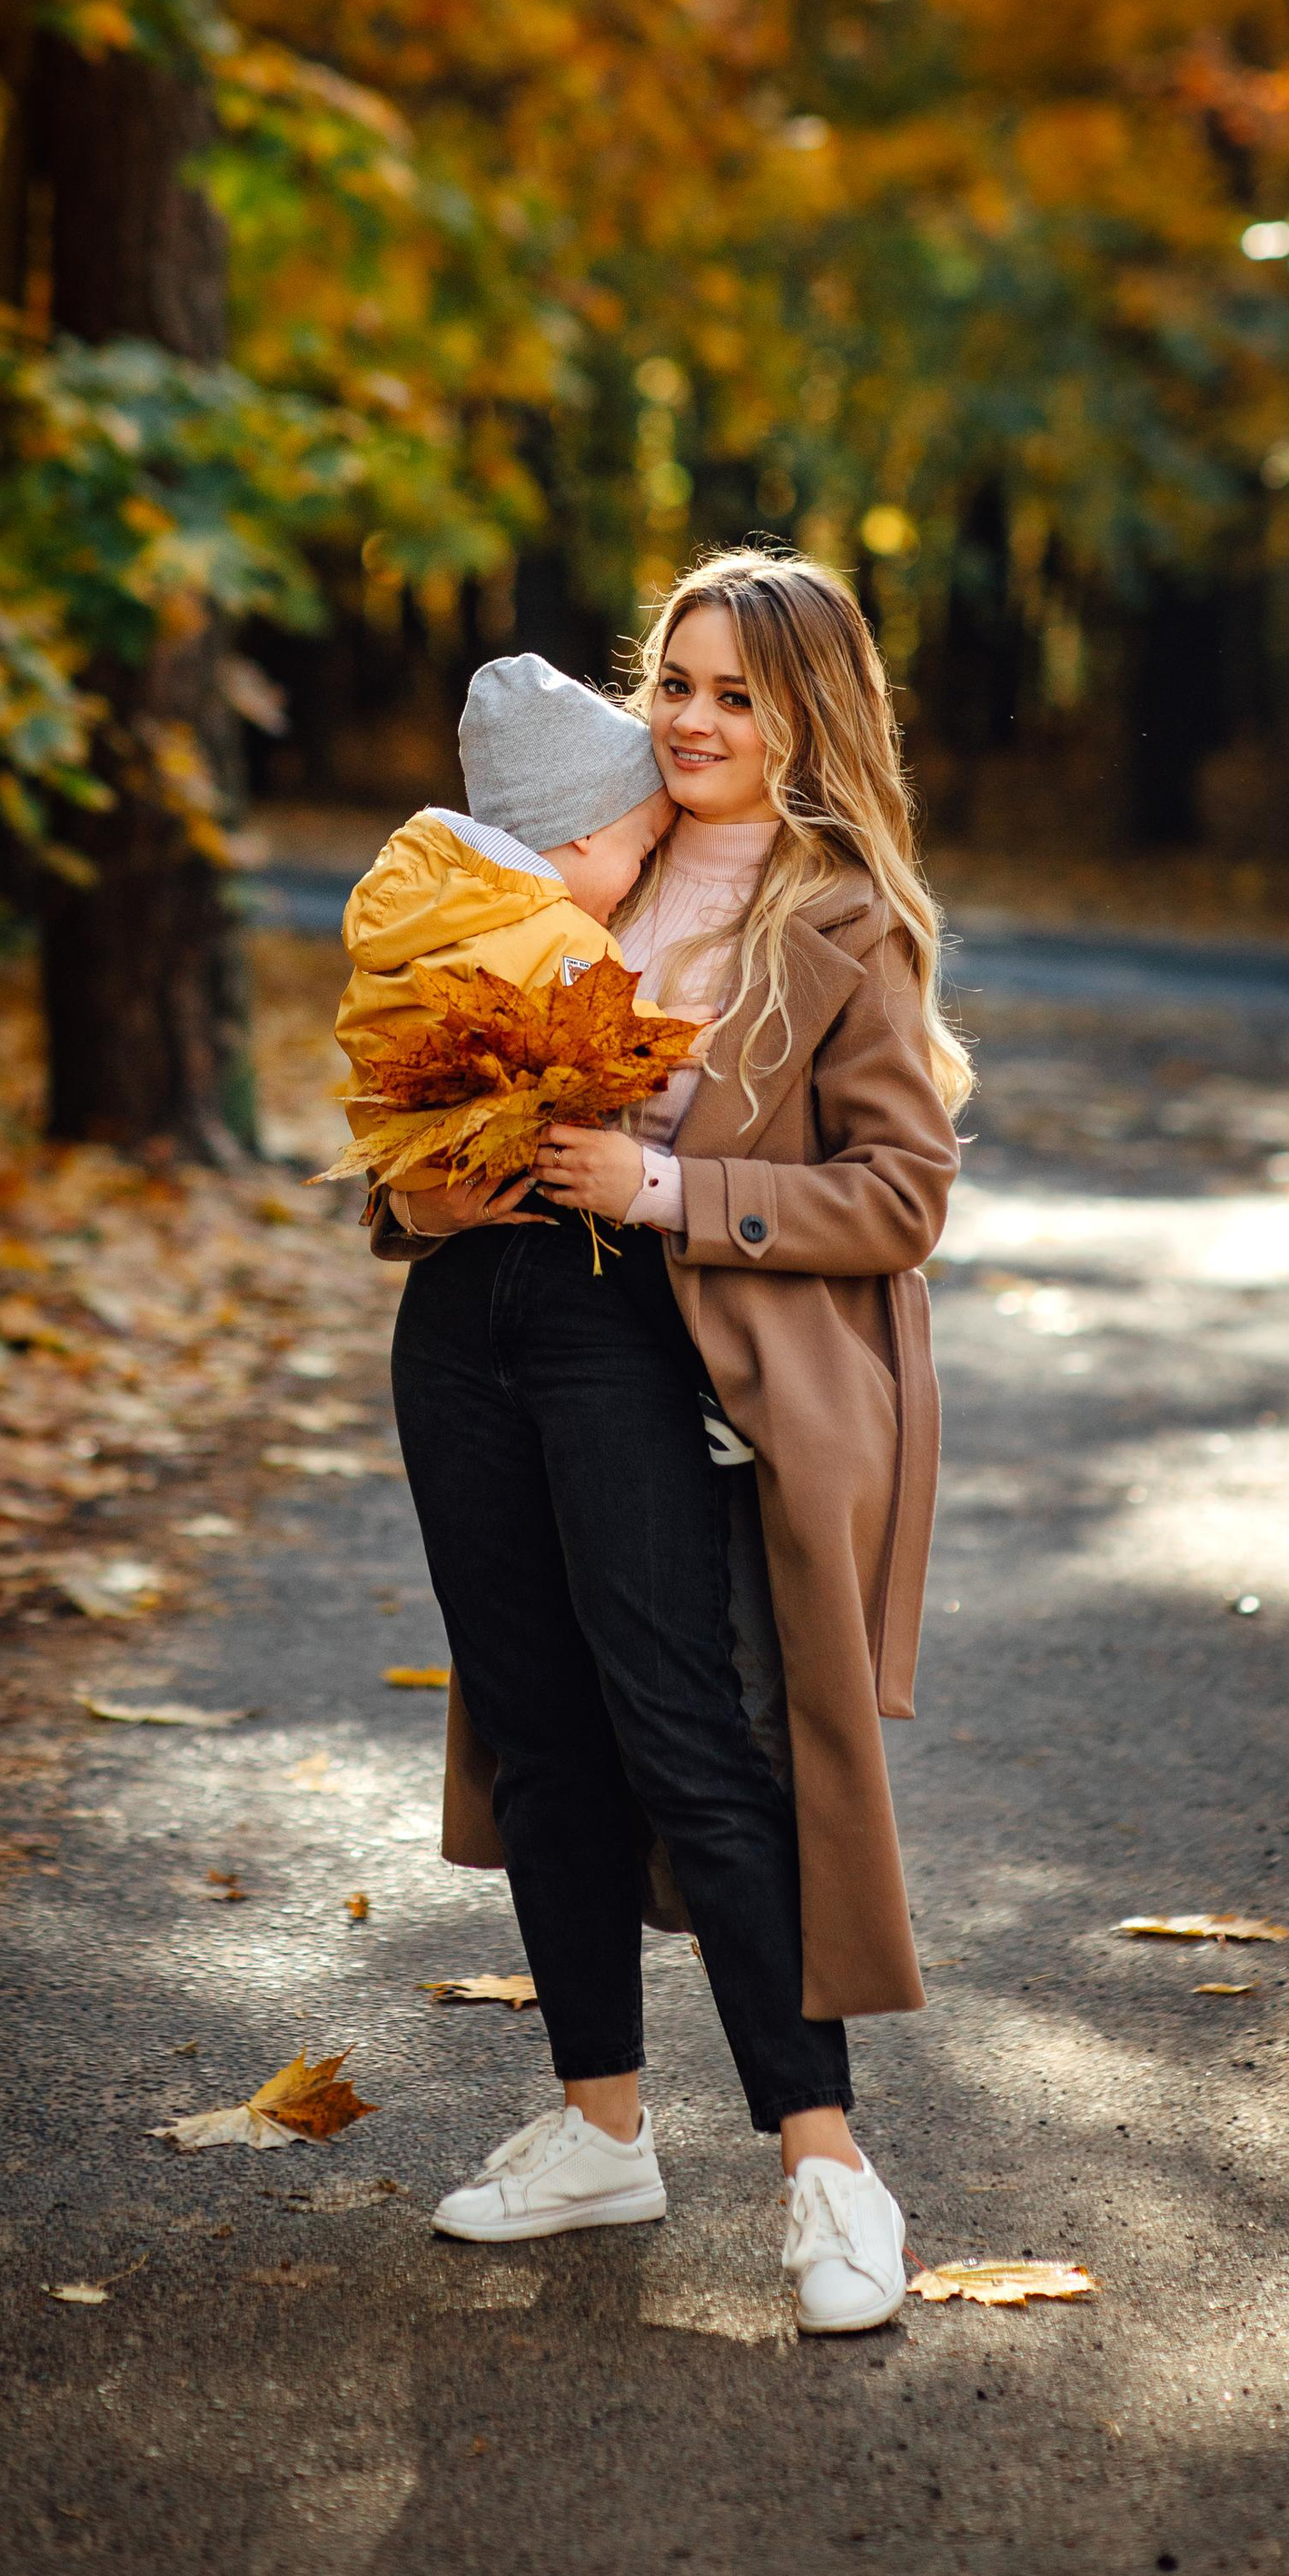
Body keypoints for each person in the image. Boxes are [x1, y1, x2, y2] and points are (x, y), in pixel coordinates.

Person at [380, 550, 969, 2335]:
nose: (696, 721)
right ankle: (595, 2128)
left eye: (736, 691)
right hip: (471, 1322)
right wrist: (424, 1175)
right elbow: (414, 1080)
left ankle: (825, 2165)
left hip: (648, 1332)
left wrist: (667, 1187)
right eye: (676, 684)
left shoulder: (837, 921)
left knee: (693, 1740)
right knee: (539, 1731)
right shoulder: (559, 865)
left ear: (805, 713)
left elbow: (898, 1192)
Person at [332, 651, 674, 1151]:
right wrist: (678, 1031)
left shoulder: (428, 904)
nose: (638, 875)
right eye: (641, 851)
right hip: (496, 1161)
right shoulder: (557, 933)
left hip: (408, 1154)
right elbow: (602, 1029)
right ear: (587, 830)